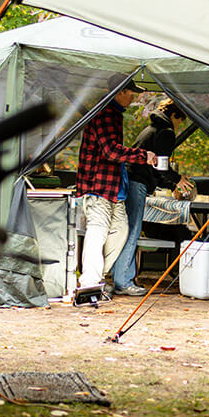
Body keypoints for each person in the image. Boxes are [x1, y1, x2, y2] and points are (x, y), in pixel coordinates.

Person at [76, 75, 156, 294]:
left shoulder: (114, 114)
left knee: (121, 231)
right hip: (98, 187)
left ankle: (97, 278)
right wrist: (143, 155)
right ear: (120, 92)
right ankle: (90, 284)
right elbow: (110, 151)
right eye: (131, 92)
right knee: (98, 232)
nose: (134, 96)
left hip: (114, 189)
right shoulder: (104, 114)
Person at [111, 99, 193, 295]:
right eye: (180, 121)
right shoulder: (166, 132)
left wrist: (170, 182)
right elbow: (161, 166)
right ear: (174, 115)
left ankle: (120, 276)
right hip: (137, 183)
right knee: (132, 232)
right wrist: (177, 180)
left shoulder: (152, 128)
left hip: (130, 180)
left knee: (127, 230)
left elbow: (155, 168)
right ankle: (124, 281)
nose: (179, 125)